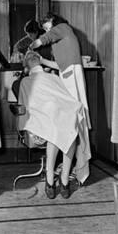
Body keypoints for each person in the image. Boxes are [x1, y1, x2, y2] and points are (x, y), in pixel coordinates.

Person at [17, 51, 91, 199]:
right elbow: (25, 108)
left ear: (27, 66)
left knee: (65, 124)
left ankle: (55, 180)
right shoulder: (30, 81)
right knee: (61, 127)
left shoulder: (36, 79)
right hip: (45, 120)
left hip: (59, 116)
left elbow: (65, 99)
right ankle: (60, 180)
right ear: (39, 62)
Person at [29, 12, 91, 129]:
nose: (48, 31)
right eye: (45, 30)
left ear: (52, 20)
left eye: (47, 27)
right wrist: (42, 60)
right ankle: (78, 136)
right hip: (67, 71)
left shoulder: (62, 27)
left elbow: (45, 39)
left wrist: (33, 45)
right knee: (73, 107)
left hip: (71, 70)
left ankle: (79, 135)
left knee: (75, 106)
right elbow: (59, 65)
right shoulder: (59, 39)